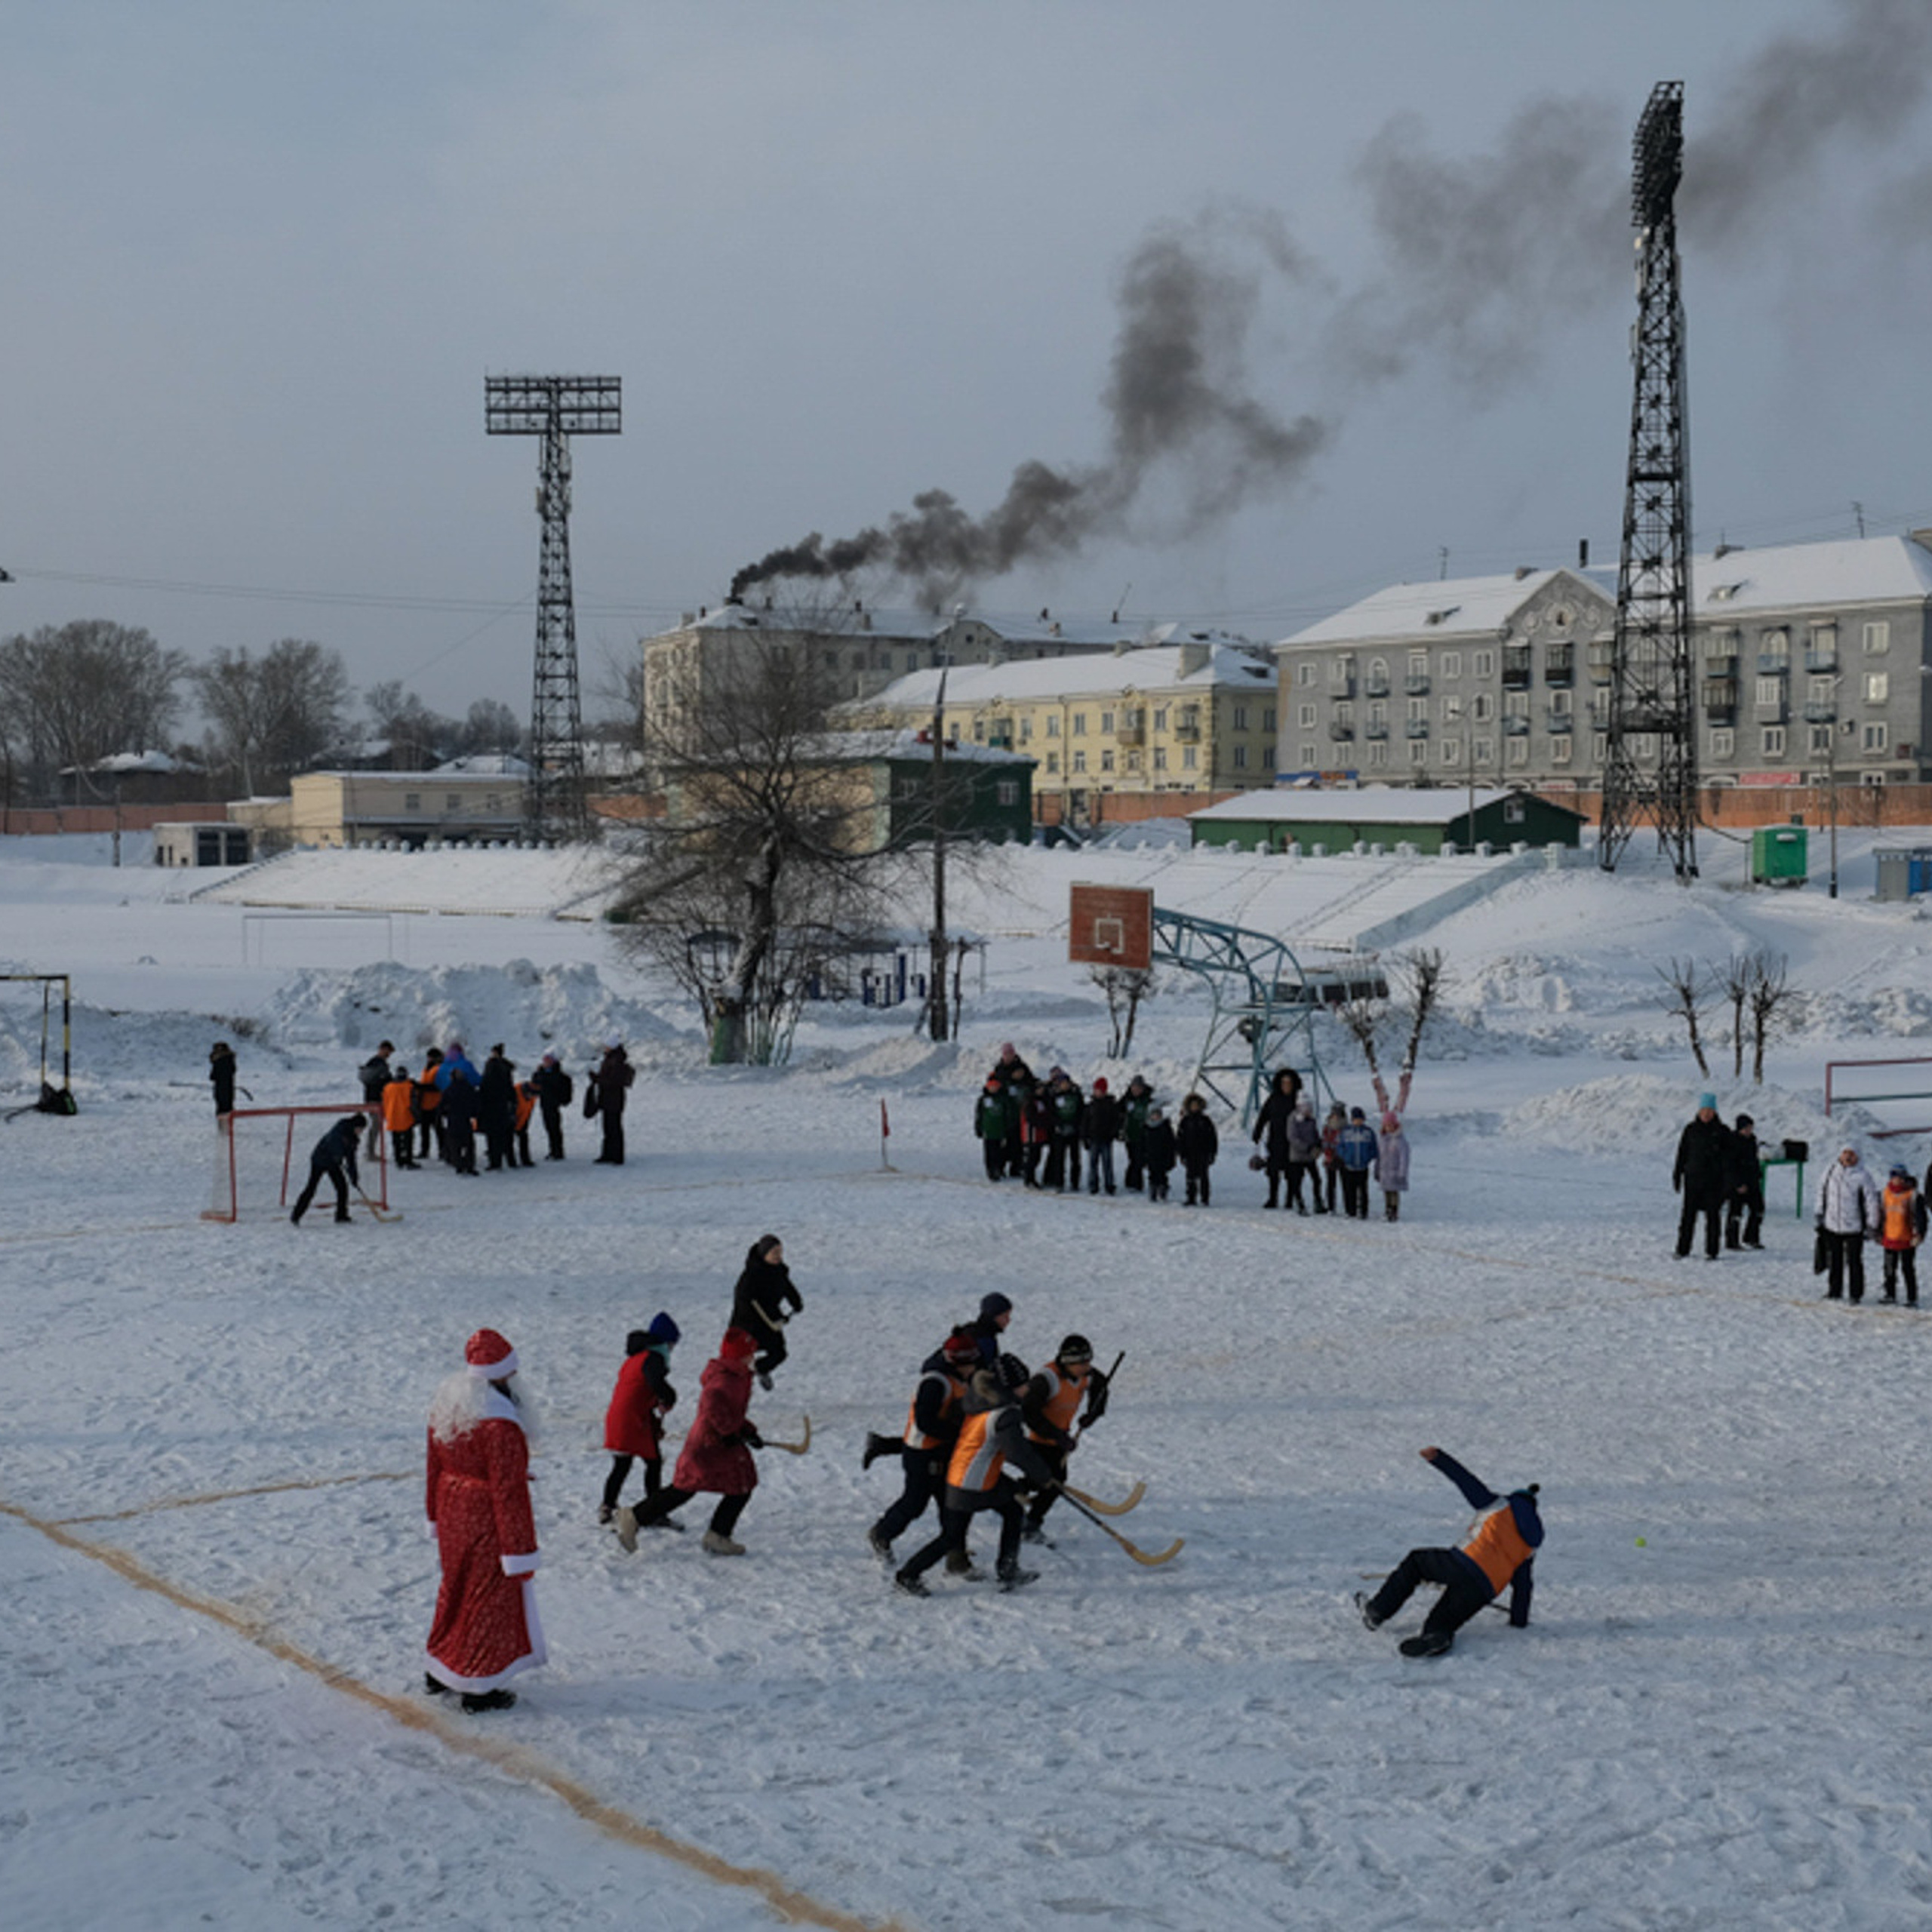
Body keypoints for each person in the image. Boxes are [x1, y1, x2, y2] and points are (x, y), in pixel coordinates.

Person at [424, 1327, 544, 1712]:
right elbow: (508, 1492)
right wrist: (520, 1550)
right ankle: (479, 1686)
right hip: (486, 1518)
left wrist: (434, 1515)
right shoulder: (501, 1425)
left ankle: (440, 1667)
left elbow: (434, 1466)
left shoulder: (448, 1405)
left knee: (454, 1587)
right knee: (487, 1596)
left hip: (451, 1507)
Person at [1356, 1447, 1543, 1659]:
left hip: (1465, 1563)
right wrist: (1519, 1620)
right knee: (1443, 1619)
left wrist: (1439, 1459)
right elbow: (1523, 1585)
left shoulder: (1499, 1505)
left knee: (1417, 1563)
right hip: (1484, 1589)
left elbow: (1467, 1482)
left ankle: (1377, 1611)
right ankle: (1437, 1637)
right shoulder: (1530, 1547)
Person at [893, 1354, 1049, 1596]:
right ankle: (908, 1575)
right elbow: (1017, 1453)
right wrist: (1043, 1476)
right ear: (1009, 1387)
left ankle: (1008, 1569)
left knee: (1012, 1510)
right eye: (1023, 1384)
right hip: (972, 1482)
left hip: (963, 1472)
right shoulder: (1006, 1413)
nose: (1028, 1388)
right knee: (952, 1537)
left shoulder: (979, 1399)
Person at [616, 1327, 763, 1555]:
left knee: (740, 1484)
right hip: (708, 1445)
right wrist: (729, 1432)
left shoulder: (737, 1375)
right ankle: (634, 1517)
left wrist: (747, 1430)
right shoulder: (726, 1379)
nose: (753, 1358)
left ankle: (718, 1534)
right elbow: (712, 1403)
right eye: (750, 1354)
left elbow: (730, 1411)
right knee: (687, 1488)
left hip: (719, 1443)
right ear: (739, 1356)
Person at [868, 1328, 980, 1565]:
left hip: (946, 1450)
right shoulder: (934, 1383)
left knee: (953, 1506)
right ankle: (882, 1533)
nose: (973, 1369)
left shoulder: (961, 1378)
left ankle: (957, 1557)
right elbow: (925, 1422)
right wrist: (959, 1434)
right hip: (922, 1453)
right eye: (969, 1364)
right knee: (914, 1503)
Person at [1020, 1334, 1106, 1541]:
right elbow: (1029, 1412)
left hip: (1060, 1440)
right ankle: (1030, 1522)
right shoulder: (1046, 1380)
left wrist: (1092, 1414)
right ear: (1068, 1362)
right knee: (1052, 1482)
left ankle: (1017, 1501)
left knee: (1048, 1482)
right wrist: (1056, 1435)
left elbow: (1101, 1386)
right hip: (1038, 1440)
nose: (1087, 1367)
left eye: (1089, 1361)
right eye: (1082, 1363)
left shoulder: (1087, 1375)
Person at [600, 1313, 681, 1524]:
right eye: (672, 1344)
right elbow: (655, 1382)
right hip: (633, 1421)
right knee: (653, 1464)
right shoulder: (654, 1358)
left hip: (619, 1418)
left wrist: (655, 1415)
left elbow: (638, 1391)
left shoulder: (635, 1358)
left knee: (622, 1465)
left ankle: (607, 1506)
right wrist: (669, 1397)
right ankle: (653, 1511)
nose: (672, 1349)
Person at [730, 1234, 802, 1390]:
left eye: (780, 1252)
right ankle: (733, 1385)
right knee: (738, 1359)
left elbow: (787, 1287)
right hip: (748, 1323)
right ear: (764, 1254)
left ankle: (760, 1369)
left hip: (770, 1320)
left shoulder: (779, 1271)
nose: (779, 1256)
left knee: (779, 1353)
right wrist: (775, 1318)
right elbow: (747, 1301)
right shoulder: (751, 1276)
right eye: (774, 1253)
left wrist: (796, 1302)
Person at [1817, 1143, 1881, 1303]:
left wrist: (1872, 1223)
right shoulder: (1830, 1171)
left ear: (1857, 1157)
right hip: (1833, 1223)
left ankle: (1855, 1293)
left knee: (1854, 1261)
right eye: (1845, 1153)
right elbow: (1821, 1192)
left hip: (1854, 1226)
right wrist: (1819, 1213)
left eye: (1852, 1154)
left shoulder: (1863, 1176)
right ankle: (1834, 1290)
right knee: (1835, 1260)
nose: (1848, 1157)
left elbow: (1871, 1201)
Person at [1673, 1094, 1733, 1261]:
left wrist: (1728, 1183)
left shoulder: (1722, 1131)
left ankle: (1712, 1251)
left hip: (1714, 1182)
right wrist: (1677, 1175)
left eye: (1710, 1111)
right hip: (1693, 1179)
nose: (1706, 1114)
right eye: (1704, 1111)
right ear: (1699, 1111)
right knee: (1688, 1217)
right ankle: (1682, 1249)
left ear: (1715, 1112)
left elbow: (1729, 1160)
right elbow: (1682, 1153)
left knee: (1713, 1217)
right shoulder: (1691, 1130)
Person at [290, 1114, 365, 1225]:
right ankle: (296, 1215)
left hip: (333, 1163)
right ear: (355, 1126)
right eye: (360, 1129)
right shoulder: (340, 1129)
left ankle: (341, 1216)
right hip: (320, 1160)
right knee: (311, 1188)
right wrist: (337, 1157)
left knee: (342, 1187)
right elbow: (334, 1144)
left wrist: (354, 1176)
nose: (361, 1132)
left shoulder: (353, 1140)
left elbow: (351, 1159)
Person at [1251, 1069, 1303, 1209]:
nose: (1286, 1086)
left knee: (1292, 1173)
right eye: (1284, 1083)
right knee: (1273, 1172)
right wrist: (1257, 1132)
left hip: (1294, 1142)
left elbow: (1307, 1119)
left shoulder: (1299, 1100)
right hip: (1276, 1140)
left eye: (1289, 1083)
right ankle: (1272, 1198)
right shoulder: (1273, 1099)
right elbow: (1263, 1116)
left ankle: (1289, 1200)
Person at [1878, 1164, 1927, 1306]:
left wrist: (1920, 1233)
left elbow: (1921, 1217)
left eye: (1900, 1177)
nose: (1897, 1181)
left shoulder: (1913, 1195)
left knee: (1907, 1269)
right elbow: (1880, 1214)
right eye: (1894, 1177)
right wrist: (1876, 1232)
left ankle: (1912, 1297)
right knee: (1889, 1268)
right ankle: (1890, 1294)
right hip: (1889, 1237)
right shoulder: (1885, 1193)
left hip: (1907, 1238)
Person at [989, 1043, 1034, 1179]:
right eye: (1006, 1054)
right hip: (1004, 1111)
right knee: (1003, 1143)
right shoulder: (1000, 1068)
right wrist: (1011, 1077)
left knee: (1018, 1143)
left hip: (1020, 1111)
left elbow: (1030, 1082)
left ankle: (1017, 1167)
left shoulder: (1022, 1067)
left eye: (1011, 1054)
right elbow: (994, 1083)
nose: (1008, 1056)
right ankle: (999, 1167)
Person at [588, 1037, 634, 1164]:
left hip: (614, 1099)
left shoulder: (617, 1061)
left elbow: (613, 1082)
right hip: (608, 1098)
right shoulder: (610, 1059)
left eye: (607, 1046)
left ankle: (617, 1156)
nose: (605, 1048)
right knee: (608, 1128)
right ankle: (608, 1154)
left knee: (614, 1128)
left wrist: (597, 1079)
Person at [1726, 1112, 1766, 1251]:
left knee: (1758, 1209)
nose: (1749, 1131)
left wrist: (1758, 1174)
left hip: (1752, 1182)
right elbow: (1729, 1165)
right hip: (1738, 1184)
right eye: (1746, 1128)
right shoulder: (1732, 1142)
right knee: (1736, 1213)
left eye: (1750, 1128)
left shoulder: (1752, 1141)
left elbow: (1754, 1160)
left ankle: (1751, 1238)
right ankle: (1732, 1241)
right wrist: (1737, 1183)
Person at [1044, 1069, 1084, 1193]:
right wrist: (1058, 1124)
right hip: (1059, 1131)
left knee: (1075, 1159)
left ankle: (1075, 1182)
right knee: (1059, 1158)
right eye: (1062, 1083)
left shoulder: (1076, 1094)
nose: (1065, 1085)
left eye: (1067, 1083)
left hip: (1074, 1130)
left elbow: (1081, 1111)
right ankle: (1058, 1182)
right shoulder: (1054, 1095)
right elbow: (1050, 1112)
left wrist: (1077, 1125)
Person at [1336, 1106, 1380, 1220]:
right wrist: (1345, 1156)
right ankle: (1350, 1210)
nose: (1358, 1121)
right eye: (1356, 1119)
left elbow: (1374, 1148)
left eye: (1360, 1119)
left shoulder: (1368, 1132)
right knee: (1349, 1190)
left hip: (1362, 1166)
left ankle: (1363, 1211)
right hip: (1349, 1166)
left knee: (1363, 1191)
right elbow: (1340, 1146)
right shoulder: (1346, 1132)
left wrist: (1368, 1157)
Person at [478, 1044, 517, 1172]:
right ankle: (509, 1160)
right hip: (503, 1105)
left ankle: (495, 1161)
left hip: (491, 1106)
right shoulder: (506, 1068)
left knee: (492, 1135)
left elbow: (485, 1086)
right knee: (504, 1134)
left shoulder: (491, 1067)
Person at [1177, 1093, 1218, 1207]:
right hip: (1190, 1153)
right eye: (1192, 1105)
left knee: (1204, 1176)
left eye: (1197, 1105)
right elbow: (1180, 1138)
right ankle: (1191, 1197)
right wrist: (1181, 1153)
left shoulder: (1205, 1121)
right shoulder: (1185, 1121)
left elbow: (1212, 1137)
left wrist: (1212, 1153)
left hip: (1203, 1153)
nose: (1195, 1108)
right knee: (1190, 1176)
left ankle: (1205, 1198)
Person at [1082, 1077, 1121, 1195]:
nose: (1098, 1092)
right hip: (1093, 1138)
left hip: (1106, 1139)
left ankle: (1109, 1185)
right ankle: (1093, 1184)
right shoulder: (1090, 1106)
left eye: (1100, 1090)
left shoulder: (1111, 1105)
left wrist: (1113, 1133)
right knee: (1093, 1163)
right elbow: (1085, 1122)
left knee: (1107, 1163)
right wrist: (1084, 1137)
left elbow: (1116, 1121)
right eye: (1096, 1090)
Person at [530, 1051, 572, 1161]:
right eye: (545, 1061)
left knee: (555, 1127)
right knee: (548, 1127)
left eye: (548, 1061)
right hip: (544, 1103)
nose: (546, 1063)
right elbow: (535, 1084)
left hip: (553, 1103)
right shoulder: (540, 1073)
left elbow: (561, 1085)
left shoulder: (557, 1074)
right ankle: (552, 1150)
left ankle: (558, 1151)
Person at [441, 1062, 480, 1177]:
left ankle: (458, 1164)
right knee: (468, 1143)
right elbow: (476, 1103)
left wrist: (444, 1114)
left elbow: (443, 1106)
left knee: (455, 1144)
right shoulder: (469, 1088)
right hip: (466, 1119)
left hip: (453, 1120)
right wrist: (475, 1114)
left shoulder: (449, 1090)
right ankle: (469, 1165)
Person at [1285, 1094, 1321, 1214]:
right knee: (1297, 1181)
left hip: (1310, 1156)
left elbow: (1315, 1134)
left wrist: (1318, 1144)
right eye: (1306, 1107)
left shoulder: (1311, 1120)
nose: (1308, 1110)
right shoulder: (1293, 1118)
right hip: (1297, 1156)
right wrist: (1307, 1147)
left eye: (1310, 1107)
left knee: (1317, 1180)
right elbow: (1292, 1138)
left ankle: (1318, 1202)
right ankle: (1300, 1204)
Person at [974, 1076, 1014, 1183]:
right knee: (990, 1152)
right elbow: (979, 1115)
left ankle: (999, 1169)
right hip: (988, 1130)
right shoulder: (983, 1100)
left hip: (1000, 1130)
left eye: (995, 1087)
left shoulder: (1003, 1099)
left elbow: (1008, 1114)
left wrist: (1008, 1127)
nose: (993, 1089)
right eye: (991, 1087)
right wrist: (978, 1128)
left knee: (1001, 1152)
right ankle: (991, 1171)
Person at [1121, 1075, 1155, 1193]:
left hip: (1143, 1134)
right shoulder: (1126, 1099)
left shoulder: (1148, 1099)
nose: (1136, 1090)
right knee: (1133, 1158)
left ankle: (1137, 1183)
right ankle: (1131, 1182)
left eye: (1138, 1088)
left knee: (1140, 1159)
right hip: (1130, 1133)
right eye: (1134, 1088)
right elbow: (1118, 1111)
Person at [383, 1064, 419, 1171]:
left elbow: (385, 1102)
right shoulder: (409, 1087)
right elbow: (414, 1104)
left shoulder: (388, 1087)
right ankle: (408, 1160)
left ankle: (399, 1160)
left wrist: (386, 1115)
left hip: (392, 1117)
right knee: (408, 1140)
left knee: (396, 1141)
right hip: (406, 1117)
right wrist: (417, 1117)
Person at [1378, 1112, 1410, 1222]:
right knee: (1386, 1192)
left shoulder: (1400, 1140)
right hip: (1385, 1172)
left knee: (1394, 1193)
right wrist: (1377, 1170)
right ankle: (1387, 1209)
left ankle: (1394, 1211)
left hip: (1395, 1171)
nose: (1389, 1128)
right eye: (1386, 1126)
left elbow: (1404, 1157)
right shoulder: (1382, 1139)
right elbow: (1380, 1156)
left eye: (1391, 1126)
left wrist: (1402, 1172)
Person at [414, 1048, 445, 1164]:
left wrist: (420, 1087)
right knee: (424, 1130)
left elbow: (437, 1087)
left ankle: (443, 1151)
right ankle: (424, 1150)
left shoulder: (439, 1069)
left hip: (435, 1104)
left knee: (438, 1130)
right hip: (425, 1104)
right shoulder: (427, 1069)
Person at [1143, 1104, 1177, 1203]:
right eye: (1154, 1115)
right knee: (1152, 1174)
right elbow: (1143, 1143)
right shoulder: (1147, 1128)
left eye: (1158, 1115)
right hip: (1151, 1155)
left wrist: (1172, 1155)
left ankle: (1163, 1190)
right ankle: (1153, 1190)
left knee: (1162, 1174)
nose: (1156, 1117)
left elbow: (1172, 1142)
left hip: (1163, 1155)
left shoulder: (1165, 1127)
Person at [1318, 1101, 1347, 1214]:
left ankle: (1348, 1206)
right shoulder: (1328, 1128)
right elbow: (1325, 1142)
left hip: (1343, 1159)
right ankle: (1331, 1206)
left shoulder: (1346, 1128)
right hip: (1330, 1158)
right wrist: (1327, 1155)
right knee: (1331, 1184)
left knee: (1346, 1184)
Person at [512, 1072, 538, 1168]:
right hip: (509, 1119)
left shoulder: (533, 1096)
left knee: (523, 1137)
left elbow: (528, 1111)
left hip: (522, 1120)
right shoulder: (515, 1092)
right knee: (507, 1139)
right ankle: (512, 1162)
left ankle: (525, 1160)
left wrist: (522, 1124)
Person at [358, 1041, 395, 1108]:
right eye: (388, 1052)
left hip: (370, 1098)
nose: (389, 1055)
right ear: (383, 1049)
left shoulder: (372, 1062)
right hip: (378, 1099)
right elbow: (386, 1081)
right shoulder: (379, 1064)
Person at [208, 1040, 238, 1118]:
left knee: (221, 1111)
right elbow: (233, 1070)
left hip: (220, 1089)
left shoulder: (218, 1061)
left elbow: (212, 1076)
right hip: (229, 1088)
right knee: (229, 1109)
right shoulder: (230, 1059)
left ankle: (222, 1128)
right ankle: (230, 1127)